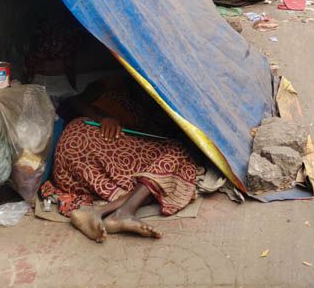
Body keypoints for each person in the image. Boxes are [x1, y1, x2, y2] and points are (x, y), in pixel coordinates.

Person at [40, 76, 198, 242]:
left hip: (75, 176)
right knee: (174, 163)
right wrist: (102, 118)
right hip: (81, 139)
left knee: (159, 178)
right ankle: (118, 213)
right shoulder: (112, 83)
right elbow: (74, 101)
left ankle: (99, 213)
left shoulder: (158, 106)